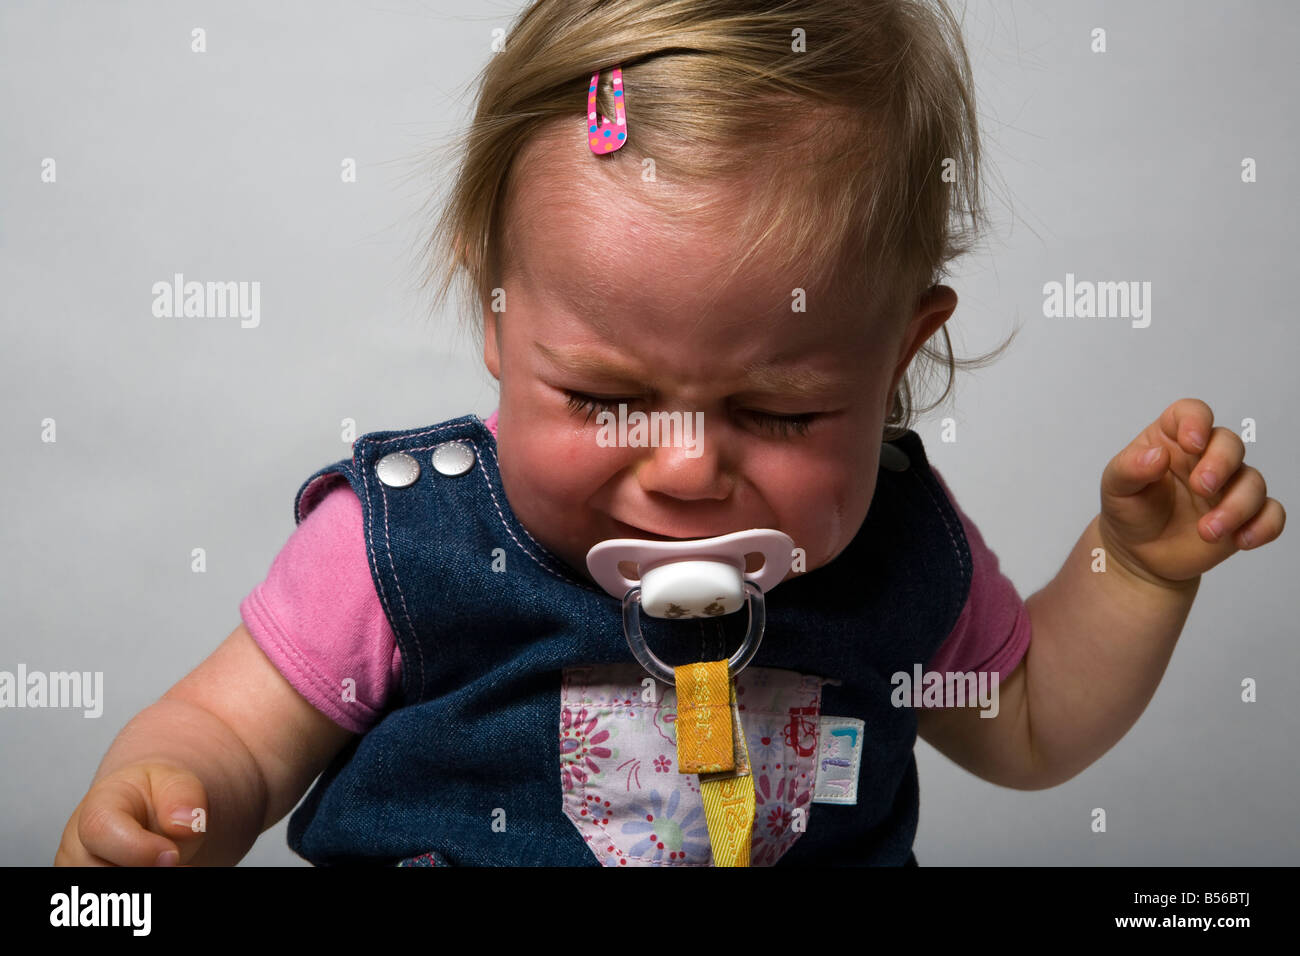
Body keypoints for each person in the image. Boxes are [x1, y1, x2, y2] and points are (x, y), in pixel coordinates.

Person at [55, 0, 1284, 867]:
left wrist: (1137, 566)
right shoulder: (400, 540)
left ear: (899, 356)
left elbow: (1027, 722)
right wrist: (176, 801)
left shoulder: (902, 547)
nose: (688, 467)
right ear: (496, 311)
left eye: (780, 410)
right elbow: (226, 730)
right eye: (601, 398)